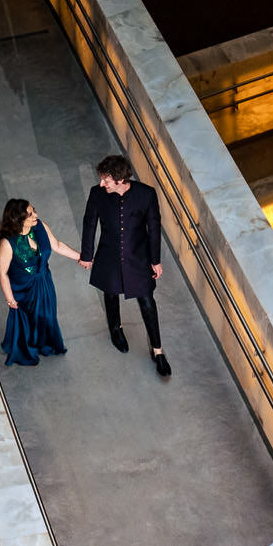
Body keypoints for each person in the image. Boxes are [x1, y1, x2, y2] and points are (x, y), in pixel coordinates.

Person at [79, 153, 171, 378]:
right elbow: (89, 224)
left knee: (147, 302)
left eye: (106, 180)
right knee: (110, 294)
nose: (102, 184)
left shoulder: (146, 194)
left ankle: (158, 351)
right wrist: (87, 255)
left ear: (120, 179)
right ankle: (116, 329)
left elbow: (154, 228)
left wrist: (155, 260)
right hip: (108, 254)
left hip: (138, 257)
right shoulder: (97, 194)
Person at [0, 197, 78, 368]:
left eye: (34, 211)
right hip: (23, 289)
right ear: (18, 219)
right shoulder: (7, 243)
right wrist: (10, 300)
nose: (36, 216)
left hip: (44, 281)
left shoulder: (40, 226)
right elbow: (2, 273)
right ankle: (26, 347)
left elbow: (57, 245)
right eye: (30, 214)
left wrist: (81, 258)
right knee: (27, 320)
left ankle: (45, 343)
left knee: (47, 315)